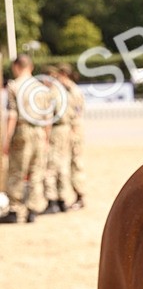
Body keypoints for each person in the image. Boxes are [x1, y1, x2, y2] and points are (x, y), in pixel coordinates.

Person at [1, 54, 48, 223]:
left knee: (17, 171)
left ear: (16, 67)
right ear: (31, 67)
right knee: (36, 170)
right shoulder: (40, 87)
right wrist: (46, 138)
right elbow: (47, 116)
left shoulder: (14, 86)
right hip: (39, 132)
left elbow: (12, 115)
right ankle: (33, 210)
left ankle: (14, 209)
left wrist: (6, 140)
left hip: (22, 130)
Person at [42, 66, 72, 213]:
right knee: (63, 165)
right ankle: (62, 200)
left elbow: (48, 118)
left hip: (56, 130)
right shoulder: (64, 92)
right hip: (66, 130)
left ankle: (52, 201)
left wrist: (46, 138)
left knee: (50, 166)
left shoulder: (51, 94)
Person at [60, 64, 86, 209]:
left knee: (76, 163)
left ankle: (80, 195)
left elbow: (77, 112)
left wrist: (73, 131)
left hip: (74, 129)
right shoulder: (67, 90)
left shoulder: (73, 91)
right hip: (72, 128)